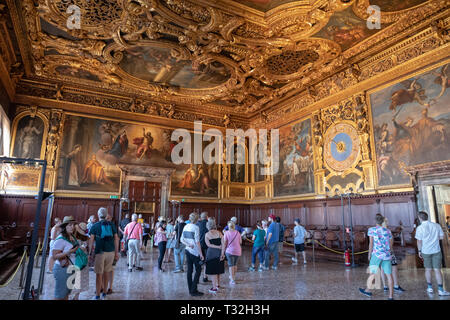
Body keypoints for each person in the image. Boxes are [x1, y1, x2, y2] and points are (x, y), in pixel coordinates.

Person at [359, 214, 394, 300]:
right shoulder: (388, 231)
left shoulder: (372, 230)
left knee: (373, 273)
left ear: (375, 221)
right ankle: (390, 296)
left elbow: (371, 243)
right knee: (389, 275)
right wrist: (388, 251)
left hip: (377, 254)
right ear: (382, 221)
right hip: (386, 255)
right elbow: (391, 243)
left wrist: (369, 254)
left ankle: (368, 291)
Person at [415, 211, 449, 296]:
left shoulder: (419, 228)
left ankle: (430, 288)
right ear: (427, 217)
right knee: (437, 270)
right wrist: (434, 238)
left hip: (425, 251)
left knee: (428, 269)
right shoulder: (436, 225)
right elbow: (441, 237)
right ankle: (441, 290)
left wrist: (419, 251)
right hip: (436, 250)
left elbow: (419, 241)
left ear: (420, 218)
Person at [88, 207, 119, 300]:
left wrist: (89, 253)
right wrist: (116, 252)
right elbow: (116, 239)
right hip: (111, 252)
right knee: (106, 273)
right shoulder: (112, 225)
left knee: (99, 274)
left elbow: (91, 240)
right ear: (106, 215)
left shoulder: (95, 226)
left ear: (98, 215)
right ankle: (104, 294)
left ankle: (97, 295)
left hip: (100, 252)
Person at [51, 216, 78, 300]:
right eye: (69, 225)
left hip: (71, 268)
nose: (72, 227)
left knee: (66, 294)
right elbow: (54, 256)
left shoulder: (71, 236)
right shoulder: (60, 239)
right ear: (64, 226)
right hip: (62, 269)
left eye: (73, 225)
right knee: (60, 296)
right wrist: (68, 252)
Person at [181, 212, 204, 296]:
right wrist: (201, 254)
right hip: (194, 251)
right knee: (198, 269)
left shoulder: (185, 226)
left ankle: (191, 289)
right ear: (197, 219)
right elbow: (197, 242)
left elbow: (182, 239)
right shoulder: (196, 227)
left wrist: (188, 245)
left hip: (187, 250)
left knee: (189, 270)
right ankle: (193, 289)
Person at [380, 218, 405, 293]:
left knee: (382, 269)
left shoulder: (376, 231)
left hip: (380, 253)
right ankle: (396, 286)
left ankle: (385, 286)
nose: (388, 222)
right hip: (388, 252)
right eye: (386, 221)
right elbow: (391, 243)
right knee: (394, 267)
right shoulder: (388, 231)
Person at [204, 218, 225, 294]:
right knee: (218, 270)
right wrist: (222, 253)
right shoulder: (219, 233)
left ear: (208, 226)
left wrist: (217, 247)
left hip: (211, 254)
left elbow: (208, 245)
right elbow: (223, 244)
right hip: (219, 253)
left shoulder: (207, 234)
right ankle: (218, 285)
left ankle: (214, 288)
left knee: (213, 272)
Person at [71, 222, 90, 300]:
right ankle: (76, 297)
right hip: (83, 261)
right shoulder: (86, 238)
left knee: (75, 279)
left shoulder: (73, 238)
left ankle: (75, 296)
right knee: (79, 279)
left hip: (76, 260)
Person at [223, 220, 242, 285]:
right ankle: (233, 276)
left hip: (229, 251)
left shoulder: (226, 233)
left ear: (228, 226)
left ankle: (232, 280)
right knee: (235, 264)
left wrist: (223, 251)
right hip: (237, 250)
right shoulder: (238, 233)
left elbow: (225, 243)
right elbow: (240, 242)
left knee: (231, 265)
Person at [196, 212, 210, 283]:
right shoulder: (209, 223)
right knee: (206, 262)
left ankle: (197, 278)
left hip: (199, 244)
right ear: (207, 217)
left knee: (199, 261)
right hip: (207, 244)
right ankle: (205, 277)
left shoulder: (197, 224)